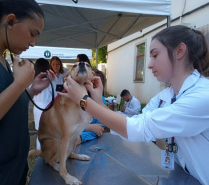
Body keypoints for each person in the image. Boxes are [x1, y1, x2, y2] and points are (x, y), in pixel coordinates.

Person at [60, 25, 209, 185]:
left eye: (155, 55)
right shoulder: (167, 95)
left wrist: (84, 101)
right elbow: (132, 123)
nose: (149, 64)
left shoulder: (202, 97)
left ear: (179, 51)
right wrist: (97, 101)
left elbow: (138, 128)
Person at [0, 1, 55, 184]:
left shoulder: (4, 58)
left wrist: (30, 90)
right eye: (32, 34)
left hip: (12, 169)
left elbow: (2, 104)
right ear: (11, 21)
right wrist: (19, 84)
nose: (33, 43)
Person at [76, 69, 106, 145]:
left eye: (98, 85)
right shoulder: (78, 99)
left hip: (91, 145)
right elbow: (70, 126)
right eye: (91, 83)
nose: (93, 88)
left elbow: (99, 129)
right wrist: (89, 127)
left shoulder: (102, 101)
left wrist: (81, 138)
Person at [33, 58, 54, 150]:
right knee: (48, 132)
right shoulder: (48, 80)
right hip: (47, 107)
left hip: (37, 108)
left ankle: (40, 153)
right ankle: (45, 152)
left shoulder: (32, 79)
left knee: (40, 132)